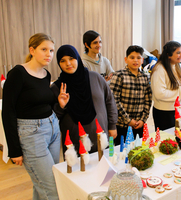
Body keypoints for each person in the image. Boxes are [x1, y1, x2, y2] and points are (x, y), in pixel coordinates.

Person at [2, 33, 60, 200]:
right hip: (31, 134)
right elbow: (8, 112)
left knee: (43, 183)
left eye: (51, 50)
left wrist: (59, 103)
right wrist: (14, 149)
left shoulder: (46, 74)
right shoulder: (17, 74)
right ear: (32, 50)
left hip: (53, 128)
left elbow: (41, 103)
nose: (49, 54)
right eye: (44, 49)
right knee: (52, 188)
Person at [51, 45, 117, 154]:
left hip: (101, 136)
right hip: (75, 141)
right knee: (79, 169)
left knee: (104, 166)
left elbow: (110, 101)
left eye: (71, 58)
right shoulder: (57, 88)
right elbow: (52, 119)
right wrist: (61, 107)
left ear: (77, 58)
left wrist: (113, 125)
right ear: (59, 63)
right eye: (63, 61)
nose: (68, 63)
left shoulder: (95, 78)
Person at [110, 45, 152, 145]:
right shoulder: (119, 75)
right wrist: (128, 120)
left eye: (138, 58)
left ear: (142, 60)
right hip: (122, 125)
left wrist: (143, 119)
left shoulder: (145, 77)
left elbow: (148, 100)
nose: (135, 60)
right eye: (132, 57)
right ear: (126, 59)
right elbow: (114, 100)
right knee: (122, 153)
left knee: (138, 150)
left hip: (139, 124)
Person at [151, 41, 181, 130]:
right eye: (178, 53)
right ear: (168, 55)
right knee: (167, 140)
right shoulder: (159, 69)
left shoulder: (175, 66)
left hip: (176, 110)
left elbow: (175, 88)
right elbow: (160, 94)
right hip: (165, 113)